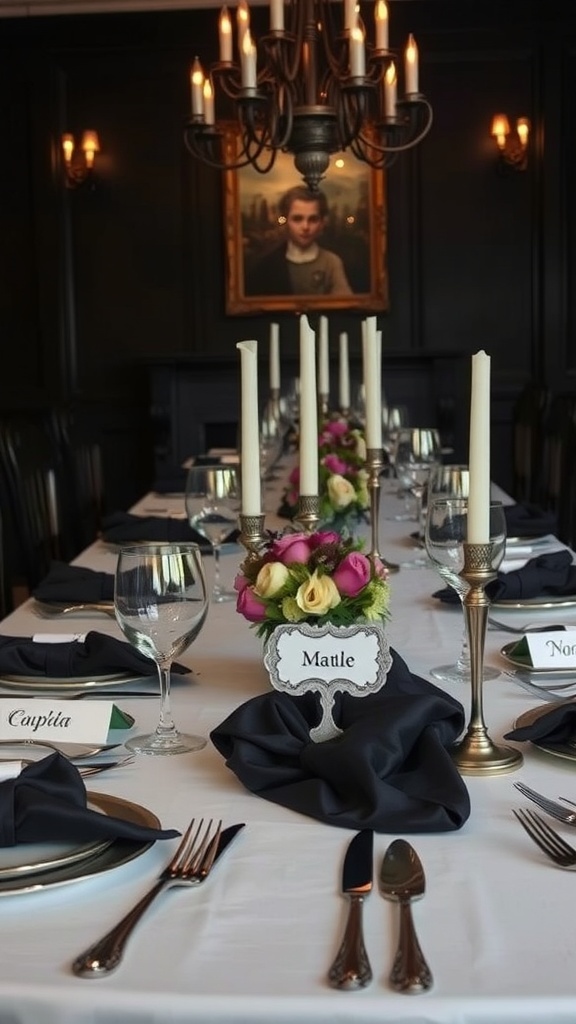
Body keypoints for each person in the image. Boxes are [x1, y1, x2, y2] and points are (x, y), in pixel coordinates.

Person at [244, 185, 353, 296]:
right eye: (297, 219)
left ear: (321, 223)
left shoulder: (331, 262)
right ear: (286, 221)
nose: (305, 227)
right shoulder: (266, 264)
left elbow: (345, 305)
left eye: (313, 219)